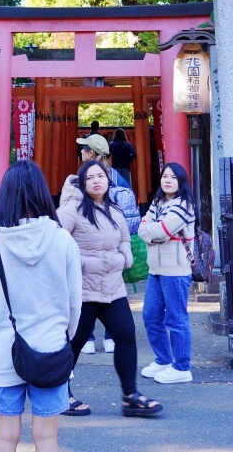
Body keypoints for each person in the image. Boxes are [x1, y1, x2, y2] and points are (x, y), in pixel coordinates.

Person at [0, 160, 82, 452]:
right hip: (51, 349)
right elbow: (75, 304)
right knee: (47, 437)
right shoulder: (62, 240)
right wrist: (63, 335)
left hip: (4, 351)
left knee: (5, 437)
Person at [58, 159, 162, 418]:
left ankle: (130, 396)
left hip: (113, 288)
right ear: (82, 182)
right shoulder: (71, 209)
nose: (96, 180)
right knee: (75, 342)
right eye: (90, 177)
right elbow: (56, 245)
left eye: (101, 176)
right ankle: (60, 394)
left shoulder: (113, 210)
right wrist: (90, 263)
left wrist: (124, 258)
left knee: (126, 334)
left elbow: (125, 240)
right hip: (82, 289)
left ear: (108, 180)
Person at [75, 134, 139, 354]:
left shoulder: (83, 180)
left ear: (91, 154)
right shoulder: (120, 180)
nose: (81, 153)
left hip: (88, 251)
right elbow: (130, 223)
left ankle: (88, 338)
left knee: (86, 293)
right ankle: (111, 337)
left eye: (84, 150)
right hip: (113, 251)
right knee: (113, 294)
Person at [137, 162, 197, 384]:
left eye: (173, 177)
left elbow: (162, 230)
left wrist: (152, 233)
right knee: (150, 315)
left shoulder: (184, 204)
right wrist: (153, 233)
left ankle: (182, 366)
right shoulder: (158, 202)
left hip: (176, 270)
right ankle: (163, 360)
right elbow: (142, 227)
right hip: (156, 270)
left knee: (176, 318)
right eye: (164, 176)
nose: (168, 180)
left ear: (181, 181)